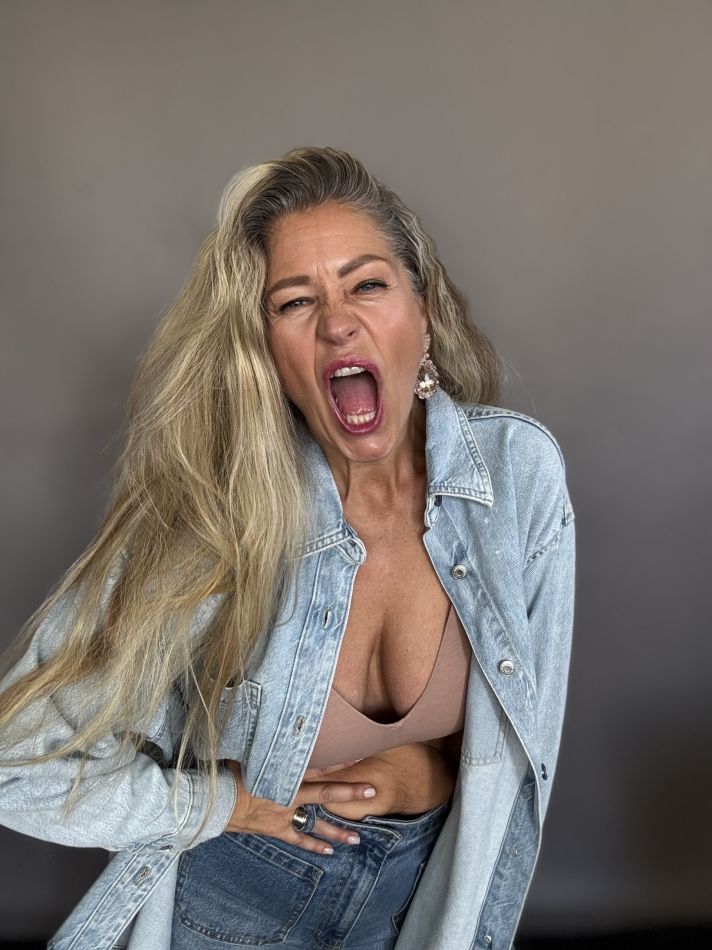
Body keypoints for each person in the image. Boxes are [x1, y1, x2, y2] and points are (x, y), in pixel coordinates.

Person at [0, 145, 576, 950]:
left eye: (367, 284)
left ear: (423, 309)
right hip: (225, 910)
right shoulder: (216, 512)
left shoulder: (516, 477)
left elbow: (519, 742)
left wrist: (432, 773)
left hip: (414, 910)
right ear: (265, 350)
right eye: (295, 301)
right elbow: (15, 765)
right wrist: (217, 806)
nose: (337, 322)